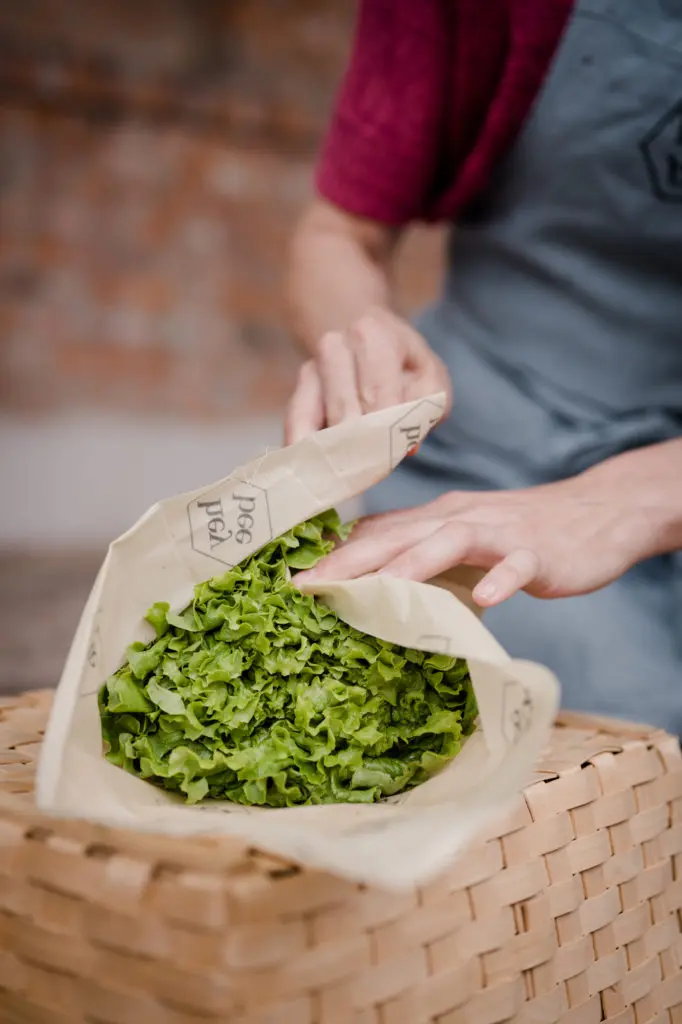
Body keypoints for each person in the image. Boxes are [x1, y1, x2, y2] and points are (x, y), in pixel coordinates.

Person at [283, 0, 682, 732]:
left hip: (652, 481)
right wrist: (365, 339)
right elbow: (339, 233)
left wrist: (628, 498)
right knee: (626, 732)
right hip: (490, 454)